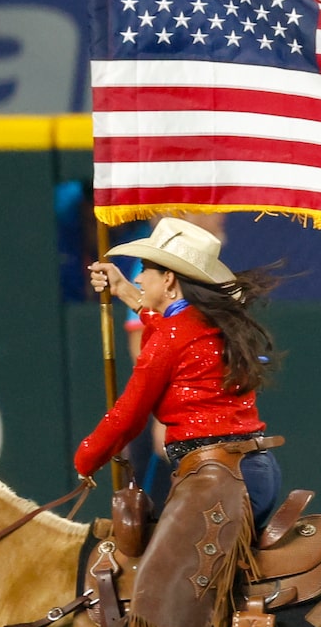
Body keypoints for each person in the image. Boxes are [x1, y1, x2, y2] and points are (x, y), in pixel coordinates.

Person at [78, 215, 286, 525]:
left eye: (145, 271)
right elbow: (169, 327)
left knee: (160, 573)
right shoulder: (205, 321)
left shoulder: (171, 337)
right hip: (251, 471)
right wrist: (123, 291)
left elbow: (127, 417)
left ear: (168, 280)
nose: (138, 279)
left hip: (217, 479)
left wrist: (85, 460)